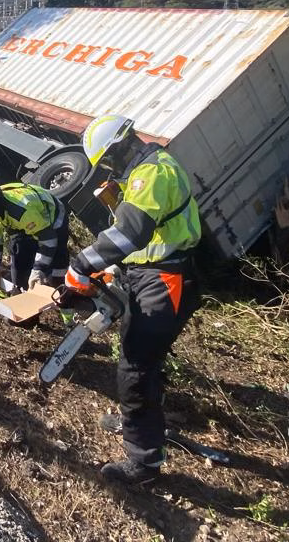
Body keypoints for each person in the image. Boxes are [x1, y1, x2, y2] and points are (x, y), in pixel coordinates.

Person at [61, 114, 202, 485]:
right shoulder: (150, 170)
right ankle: (136, 422)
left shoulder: (152, 174)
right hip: (151, 273)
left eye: (108, 160)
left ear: (119, 147)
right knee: (139, 357)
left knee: (136, 368)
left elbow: (130, 233)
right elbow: (141, 241)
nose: (110, 168)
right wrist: (115, 271)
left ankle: (145, 463)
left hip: (166, 279)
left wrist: (82, 265)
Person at [0, 175, 70, 297]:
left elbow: (48, 240)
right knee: (19, 261)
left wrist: (38, 270)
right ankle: (22, 300)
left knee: (56, 270)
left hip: (51, 218)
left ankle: (68, 309)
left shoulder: (20, 211)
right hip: (20, 223)